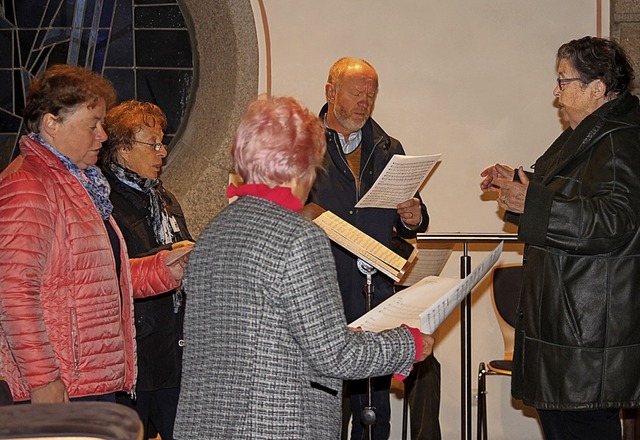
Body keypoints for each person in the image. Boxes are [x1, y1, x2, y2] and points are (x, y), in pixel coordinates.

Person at [173, 95, 435, 439]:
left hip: (209, 425)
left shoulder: (216, 230)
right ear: (303, 166)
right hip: (272, 425)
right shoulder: (298, 236)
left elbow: (258, 336)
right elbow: (335, 356)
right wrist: (408, 343)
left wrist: (335, 336)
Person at [480, 36, 640, 440]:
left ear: (597, 88)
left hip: (586, 336)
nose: (556, 91)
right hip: (568, 328)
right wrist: (520, 183)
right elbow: (575, 193)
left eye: (564, 80)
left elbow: (614, 220)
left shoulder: (620, 139)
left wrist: (531, 201)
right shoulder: (590, 132)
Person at [0, 64, 189, 404]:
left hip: (88, 377)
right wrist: (43, 380)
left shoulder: (79, 185)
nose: (103, 135)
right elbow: (13, 292)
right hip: (61, 385)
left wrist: (164, 269)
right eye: (93, 125)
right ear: (51, 124)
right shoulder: (29, 186)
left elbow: (91, 280)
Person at [307, 57, 440, 439]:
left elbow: (410, 216)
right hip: (322, 290)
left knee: (372, 411)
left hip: (373, 295)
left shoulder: (387, 146)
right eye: (357, 92)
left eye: (371, 94)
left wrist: (413, 216)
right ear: (331, 92)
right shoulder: (305, 143)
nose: (365, 101)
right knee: (324, 410)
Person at [100, 100, 194, 440]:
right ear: (123, 150)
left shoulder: (164, 199)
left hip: (173, 354)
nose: (163, 152)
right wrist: (169, 255)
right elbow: (106, 270)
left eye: (162, 142)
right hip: (131, 361)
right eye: (152, 144)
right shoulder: (103, 202)